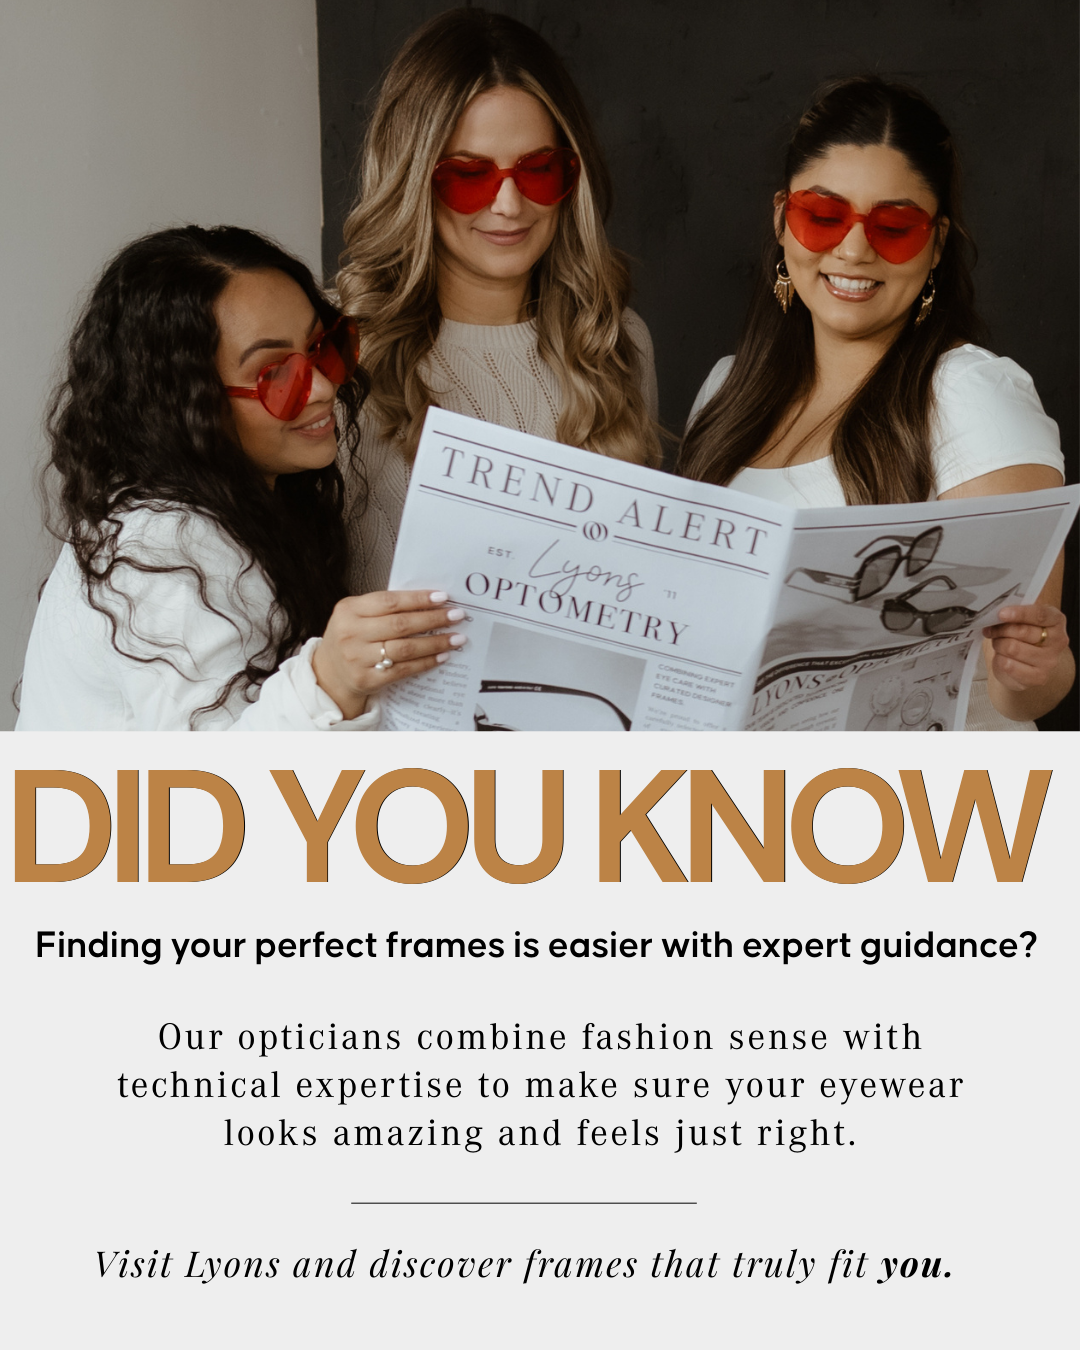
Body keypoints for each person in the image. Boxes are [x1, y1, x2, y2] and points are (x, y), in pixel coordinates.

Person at [680, 76, 1073, 729]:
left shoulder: (971, 397)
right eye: (823, 216)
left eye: (894, 226)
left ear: (937, 244)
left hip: (930, 812)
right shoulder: (727, 389)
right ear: (782, 219)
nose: (854, 249)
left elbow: (1022, 682)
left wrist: (1039, 668)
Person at [17, 226, 464, 731]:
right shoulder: (161, 549)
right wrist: (331, 680)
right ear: (189, 404)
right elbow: (212, 796)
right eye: (274, 374)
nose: (321, 387)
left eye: (324, 347)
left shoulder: (249, 507)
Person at [336, 7, 661, 595]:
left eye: (538, 170)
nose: (510, 204)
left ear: (573, 176)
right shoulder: (337, 351)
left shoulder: (616, 342)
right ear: (413, 179)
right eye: (468, 175)